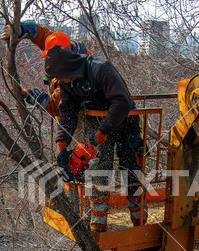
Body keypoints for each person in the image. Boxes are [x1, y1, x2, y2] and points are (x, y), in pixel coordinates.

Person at [45, 45, 147, 232]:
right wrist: (62, 143)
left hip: (125, 119)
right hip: (96, 121)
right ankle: (99, 220)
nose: (60, 81)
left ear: (68, 67)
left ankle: (138, 218)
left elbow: (122, 101)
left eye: (61, 77)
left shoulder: (101, 69)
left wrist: (103, 132)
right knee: (99, 169)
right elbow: (67, 111)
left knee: (131, 168)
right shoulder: (67, 82)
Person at [0, 21, 91, 116]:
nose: (50, 60)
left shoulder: (76, 76)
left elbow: (56, 106)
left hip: (79, 120)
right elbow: (42, 34)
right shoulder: (63, 46)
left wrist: (31, 95)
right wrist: (22, 29)